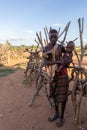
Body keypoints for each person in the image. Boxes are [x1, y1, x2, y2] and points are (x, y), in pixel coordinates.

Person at [43, 29, 74, 127]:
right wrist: (57, 62)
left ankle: (61, 116)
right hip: (53, 76)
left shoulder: (61, 47)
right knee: (54, 95)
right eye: (51, 36)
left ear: (57, 37)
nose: (53, 38)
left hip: (63, 75)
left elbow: (68, 54)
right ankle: (56, 113)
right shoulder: (46, 48)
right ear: (49, 37)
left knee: (63, 96)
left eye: (55, 37)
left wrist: (68, 60)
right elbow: (45, 62)